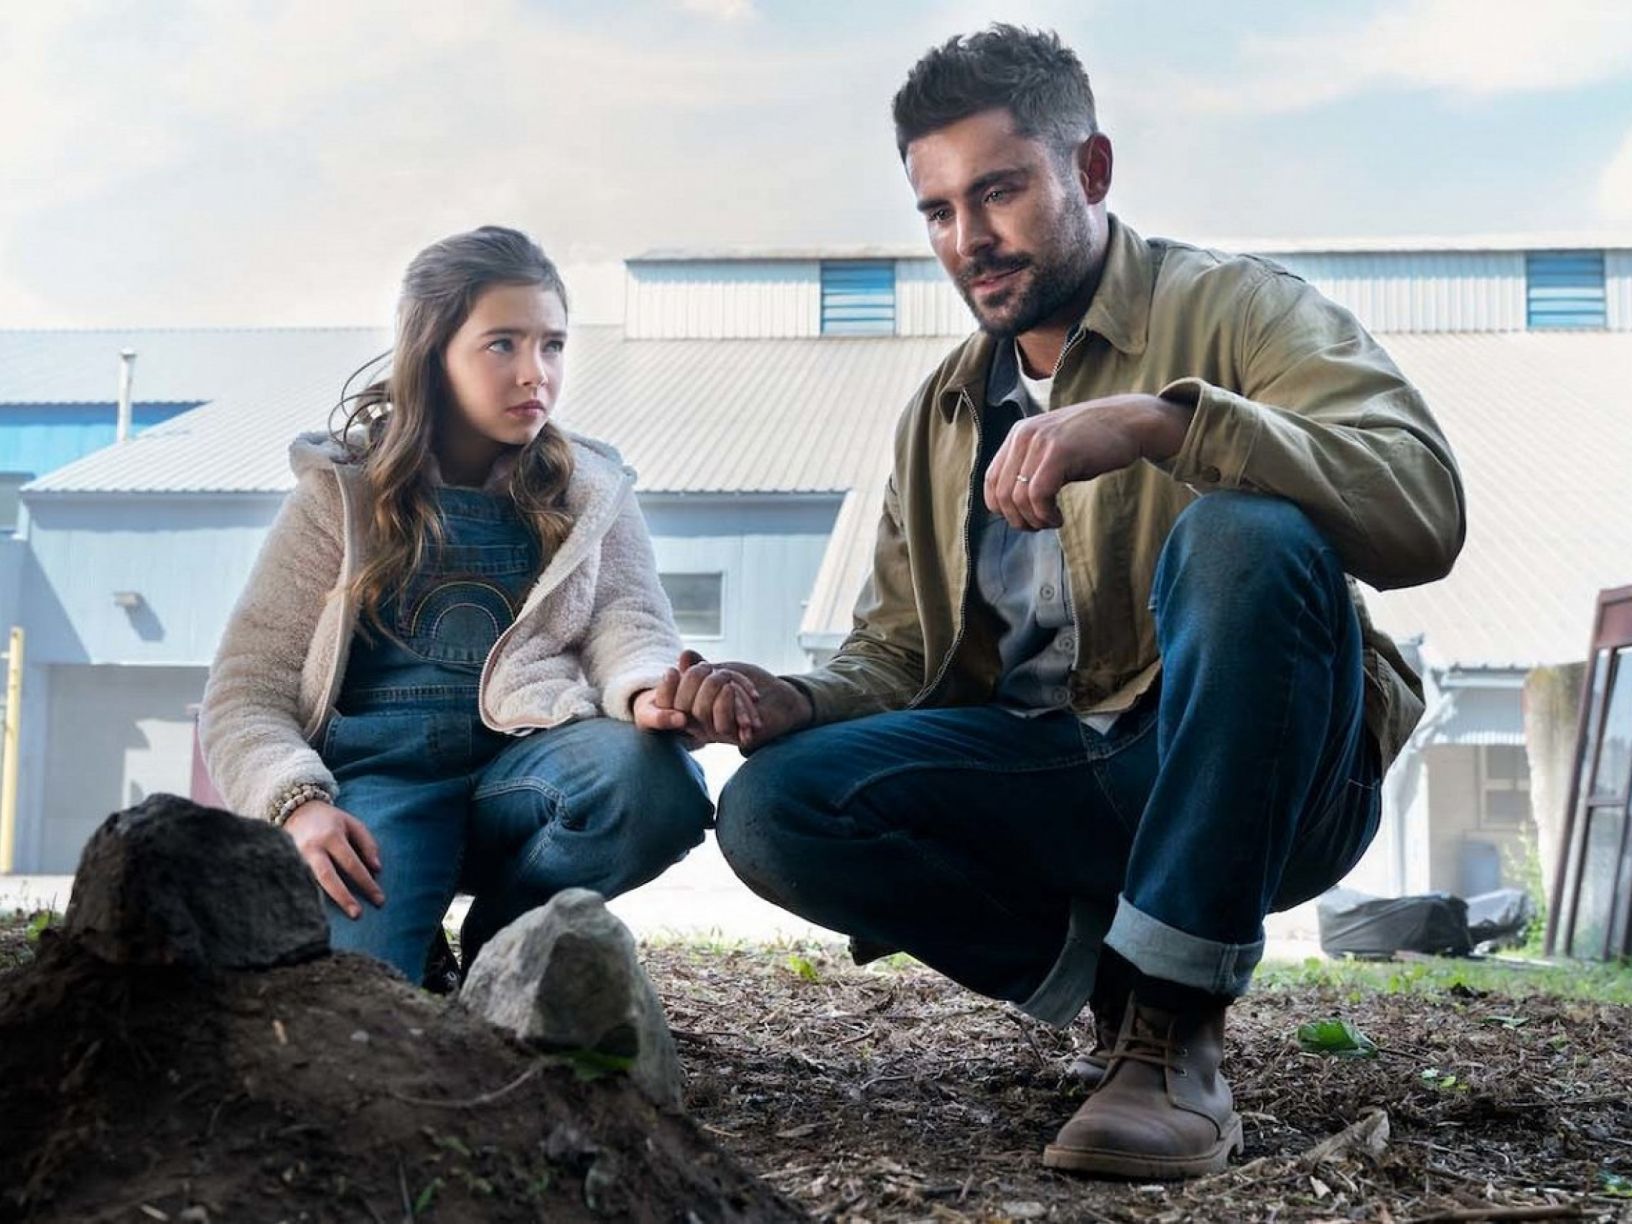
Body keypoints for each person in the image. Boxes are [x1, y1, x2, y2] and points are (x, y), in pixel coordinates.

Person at [652, 26, 1464, 1180]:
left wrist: (1165, 424)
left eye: (999, 191)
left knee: (1245, 534)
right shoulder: (944, 412)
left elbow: (1425, 506)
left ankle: (1174, 1035)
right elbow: (899, 651)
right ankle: (1116, 987)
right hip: (1053, 775)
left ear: (1091, 170)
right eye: (938, 211)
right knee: (776, 809)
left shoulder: (1239, 309)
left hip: (1262, 772)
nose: (968, 240)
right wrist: (796, 699)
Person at [201, 226, 737, 987]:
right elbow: (246, 690)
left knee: (658, 785)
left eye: (552, 345)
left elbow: (630, 625)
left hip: (528, 766)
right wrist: (296, 804)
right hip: (378, 788)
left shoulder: (591, 491)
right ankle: (411, 940)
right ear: (432, 354)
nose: (535, 373)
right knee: (367, 1000)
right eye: (502, 344)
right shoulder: (339, 494)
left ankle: (505, 949)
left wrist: (648, 691)